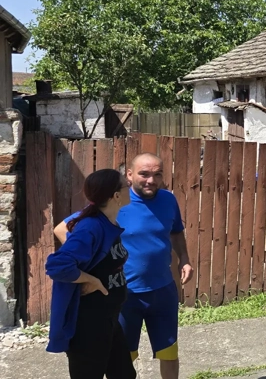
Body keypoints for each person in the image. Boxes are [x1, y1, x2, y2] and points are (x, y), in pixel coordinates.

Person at [55, 153, 193, 379]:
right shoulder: (115, 202)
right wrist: (88, 267)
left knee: (169, 352)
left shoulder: (168, 200)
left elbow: (176, 230)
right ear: (129, 175)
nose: (151, 180)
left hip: (163, 291)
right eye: (144, 174)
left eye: (157, 175)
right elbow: (62, 229)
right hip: (125, 295)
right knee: (123, 358)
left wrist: (184, 258)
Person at [46, 169, 135, 379]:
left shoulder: (106, 222)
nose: (130, 188)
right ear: (116, 195)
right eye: (126, 185)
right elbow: (57, 266)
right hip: (88, 325)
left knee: (124, 375)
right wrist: (90, 279)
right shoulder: (92, 227)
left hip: (109, 319)